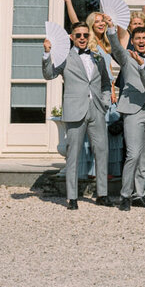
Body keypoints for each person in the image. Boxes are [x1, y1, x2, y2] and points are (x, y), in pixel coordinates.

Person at [42, 21, 114, 209]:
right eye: (78, 35)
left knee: (102, 151)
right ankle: (72, 197)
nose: (82, 38)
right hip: (75, 111)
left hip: (96, 109)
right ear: (72, 37)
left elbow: (106, 83)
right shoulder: (64, 57)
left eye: (85, 35)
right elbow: (49, 75)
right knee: (73, 154)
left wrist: (105, 102)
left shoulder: (97, 57)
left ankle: (102, 194)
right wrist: (47, 53)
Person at [109, 25, 145, 210]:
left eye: (144, 38)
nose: (140, 41)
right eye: (137, 38)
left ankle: (140, 194)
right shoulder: (126, 58)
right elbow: (115, 47)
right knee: (133, 154)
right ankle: (125, 195)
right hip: (133, 111)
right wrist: (111, 30)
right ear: (133, 40)